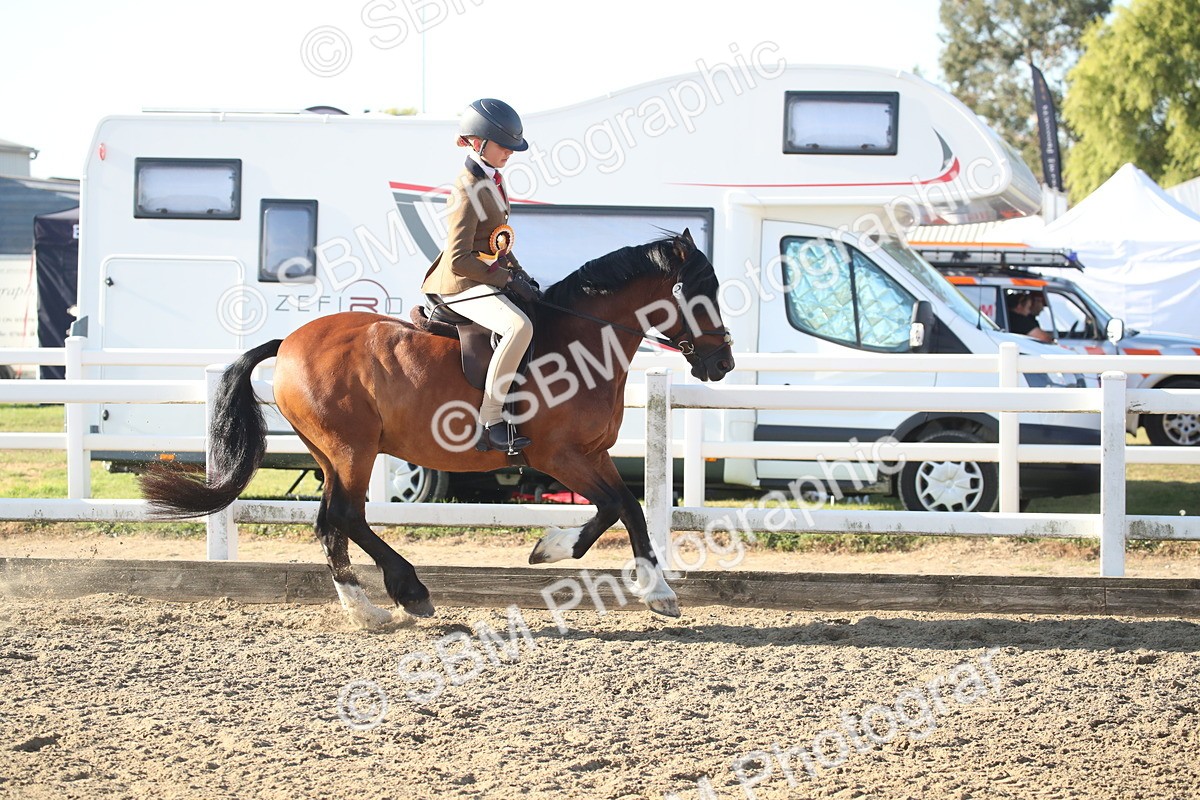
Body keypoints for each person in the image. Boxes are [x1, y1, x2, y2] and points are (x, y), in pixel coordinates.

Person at [421, 98, 540, 453]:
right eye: (504, 145)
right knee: (520, 327)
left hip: (482, 275)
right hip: (460, 284)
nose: (510, 152)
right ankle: (490, 419)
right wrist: (505, 280)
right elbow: (458, 259)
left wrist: (521, 274)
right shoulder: (466, 187)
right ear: (478, 142)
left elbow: (496, 238)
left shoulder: (494, 179)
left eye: (512, 146)